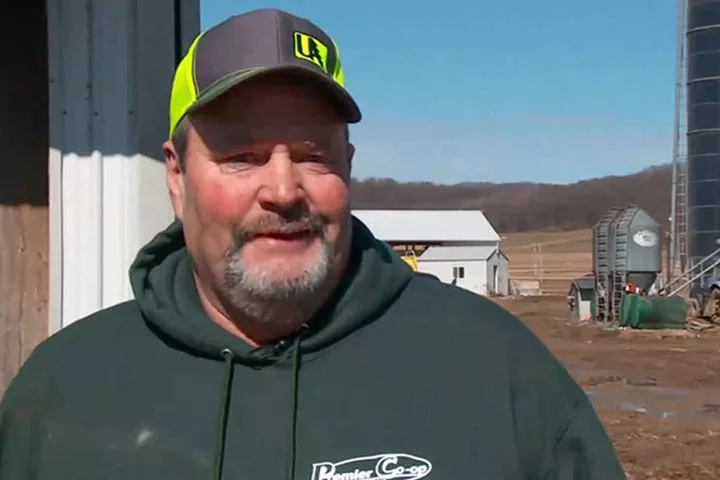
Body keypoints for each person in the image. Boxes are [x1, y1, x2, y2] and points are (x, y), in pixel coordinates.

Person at [0, 8, 627, 480]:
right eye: (242, 157)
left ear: (348, 168)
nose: (283, 190)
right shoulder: (63, 391)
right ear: (176, 175)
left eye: (311, 156)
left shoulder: (497, 372)